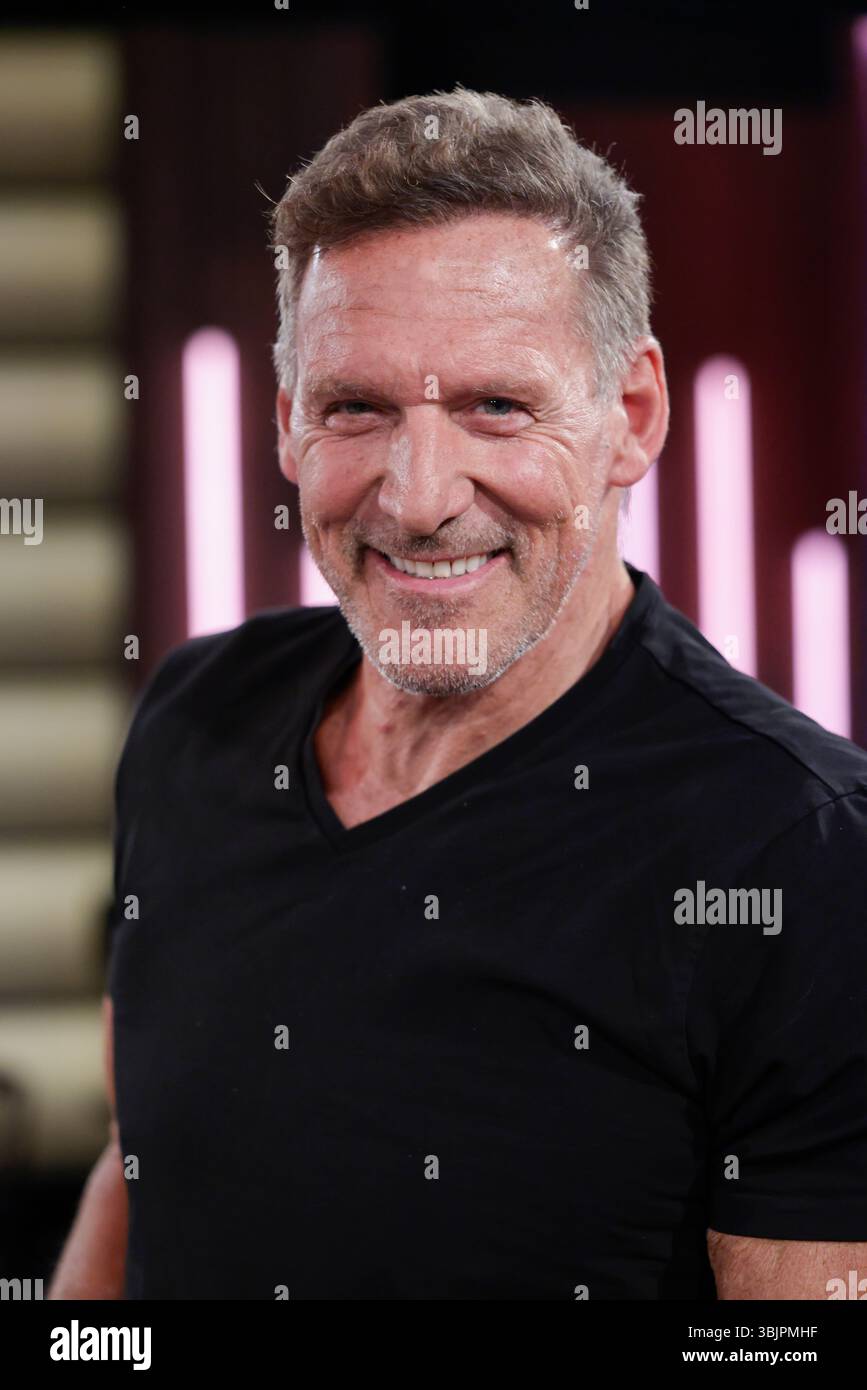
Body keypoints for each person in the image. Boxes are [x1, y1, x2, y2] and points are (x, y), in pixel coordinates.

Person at [50, 87, 867, 1300]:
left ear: (630, 417)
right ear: (286, 424)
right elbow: (139, 1168)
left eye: (496, 405)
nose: (421, 494)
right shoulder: (193, 714)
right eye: (356, 408)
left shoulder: (803, 850)